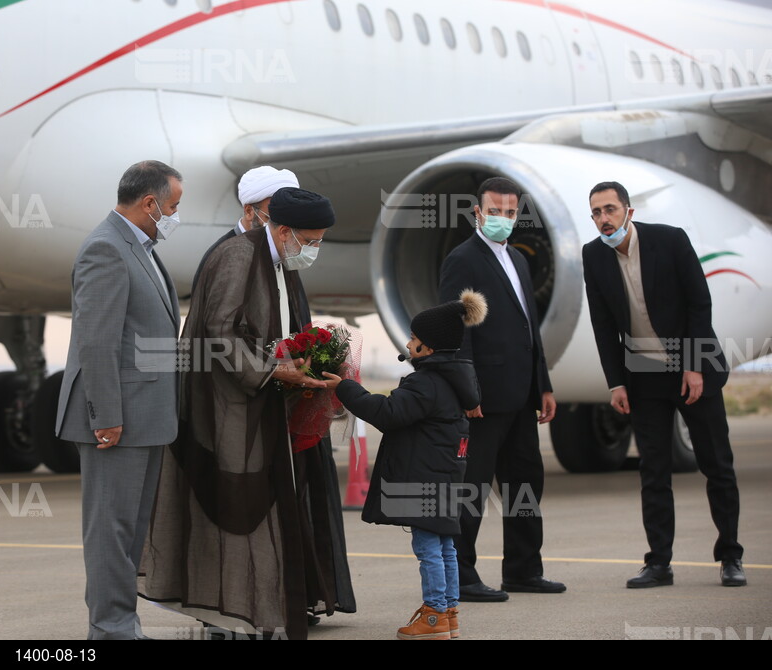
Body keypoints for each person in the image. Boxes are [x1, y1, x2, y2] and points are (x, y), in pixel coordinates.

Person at [139, 186, 353, 639]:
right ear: (280, 229)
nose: (312, 250)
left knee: (265, 513)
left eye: (318, 241)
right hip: (226, 411)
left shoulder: (281, 262)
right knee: (232, 511)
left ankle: (256, 613)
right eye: (308, 240)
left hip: (266, 406)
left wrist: (302, 362)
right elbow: (220, 334)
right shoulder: (237, 256)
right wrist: (273, 372)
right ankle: (225, 617)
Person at [581, 181, 746, 588]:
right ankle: (658, 563)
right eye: (596, 213)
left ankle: (730, 557)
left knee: (717, 466)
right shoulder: (592, 256)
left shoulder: (670, 240)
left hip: (695, 368)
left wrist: (693, 366)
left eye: (610, 210)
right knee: (653, 473)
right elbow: (602, 324)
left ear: (628, 211)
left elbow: (698, 303)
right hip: (643, 375)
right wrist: (615, 383)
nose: (604, 219)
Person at [55, 160, 183, 639]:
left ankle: (119, 625)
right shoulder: (106, 249)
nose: (174, 214)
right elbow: (96, 342)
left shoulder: (140, 247)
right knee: (110, 531)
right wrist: (105, 416)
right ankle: (110, 630)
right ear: (149, 203)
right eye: (172, 206)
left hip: (146, 417)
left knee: (127, 532)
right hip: (118, 421)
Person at [327, 292, 486, 639]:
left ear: (427, 348)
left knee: (428, 548)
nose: (408, 342)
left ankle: (433, 616)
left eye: (414, 338)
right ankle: (448, 613)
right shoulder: (455, 381)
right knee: (445, 547)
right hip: (445, 475)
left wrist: (346, 388)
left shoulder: (426, 383)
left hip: (424, 477)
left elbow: (387, 413)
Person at [438, 176, 565, 602]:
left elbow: (530, 329)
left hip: (522, 394)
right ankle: (463, 576)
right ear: (477, 212)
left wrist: (543, 384)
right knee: (471, 490)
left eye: (510, 213)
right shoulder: (463, 259)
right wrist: (467, 392)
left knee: (525, 486)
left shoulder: (519, 260)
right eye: (495, 211)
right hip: (484, 399)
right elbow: (455, 332)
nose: (503, 219)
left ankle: (524, 570)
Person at [190, 165, 299, 296]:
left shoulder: (282, 253)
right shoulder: (225, 258)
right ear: (249, 211)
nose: (280, 228)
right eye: (272, 218)